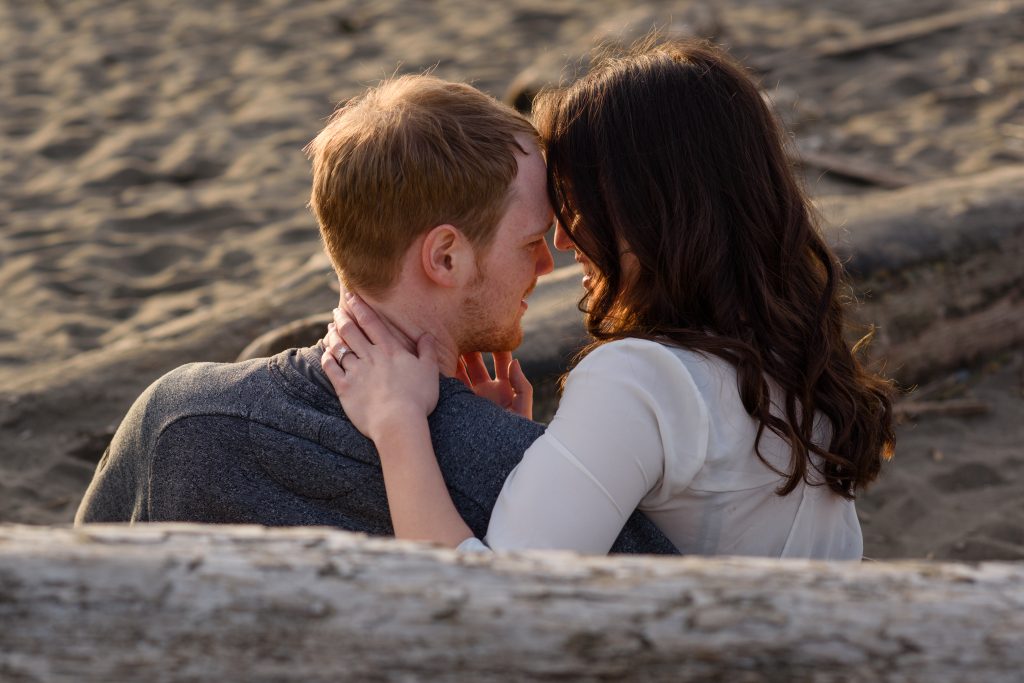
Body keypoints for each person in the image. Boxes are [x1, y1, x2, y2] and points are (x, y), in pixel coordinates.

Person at [321, 39, 896, 558]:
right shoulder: (790, 354)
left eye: (575, 204)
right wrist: (500, 447)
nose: (564, 241)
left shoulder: (640, 380)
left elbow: (493, 608)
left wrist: (397, 426)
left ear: (651, 211)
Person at [73, 74, 678, 555]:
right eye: (530, 242)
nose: (548, 264)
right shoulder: (521, 483)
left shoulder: (178, 417)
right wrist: (507, 443)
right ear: (445, 256)